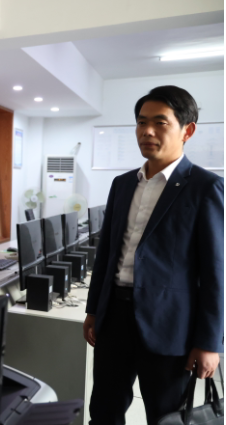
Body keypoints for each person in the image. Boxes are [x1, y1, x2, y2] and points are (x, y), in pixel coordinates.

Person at [84, 85, 223, 424]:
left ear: (187, 130)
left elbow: (216, 272)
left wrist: (210, 342)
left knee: (165, 415)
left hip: (169, 326)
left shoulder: (205, 187)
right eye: (141, 122)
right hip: (114, 319)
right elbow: (107, 254)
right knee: (103, 410)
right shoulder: (122, 184)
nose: (147, 131)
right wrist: (93, 310)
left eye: (160, 123)